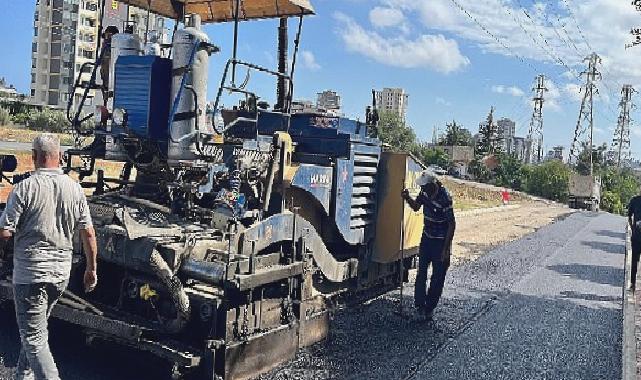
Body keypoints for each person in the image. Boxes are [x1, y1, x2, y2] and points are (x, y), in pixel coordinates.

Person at [0, 134, 98, 380]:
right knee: (37, 330)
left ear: (33, 157)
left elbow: (4, 232)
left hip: (30, 274)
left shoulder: (25, 188)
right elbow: (88, 232)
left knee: (33, 339)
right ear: (61, 157)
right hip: (59, 276)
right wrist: (91, 268)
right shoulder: (75, 189)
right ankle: (23, 375)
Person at [402, 170, 456, 320]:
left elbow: (451, 224)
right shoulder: (424, 193)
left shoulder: (445, 198)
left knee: (437, 277)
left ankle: (429, 308)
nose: (422, 189)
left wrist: (446, 249)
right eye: (422, 187)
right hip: (427, 239)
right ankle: (420, 307)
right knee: (421, 274)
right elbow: (416, 207)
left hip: (441, 242)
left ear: (433, 185)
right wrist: (407, 198)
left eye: (425, 187)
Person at [100, 25, 119, 105]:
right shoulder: (105, 46)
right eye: (106, 36)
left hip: (111, 71)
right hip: (105, 70)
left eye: (109, 36)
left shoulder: (115, 48)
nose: (107, 39)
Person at [628, 190, 641, 290]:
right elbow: (629, 215)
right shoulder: (635, 201)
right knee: (634, 261)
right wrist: (632, 228)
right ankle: (633, 284)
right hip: (636, 237)